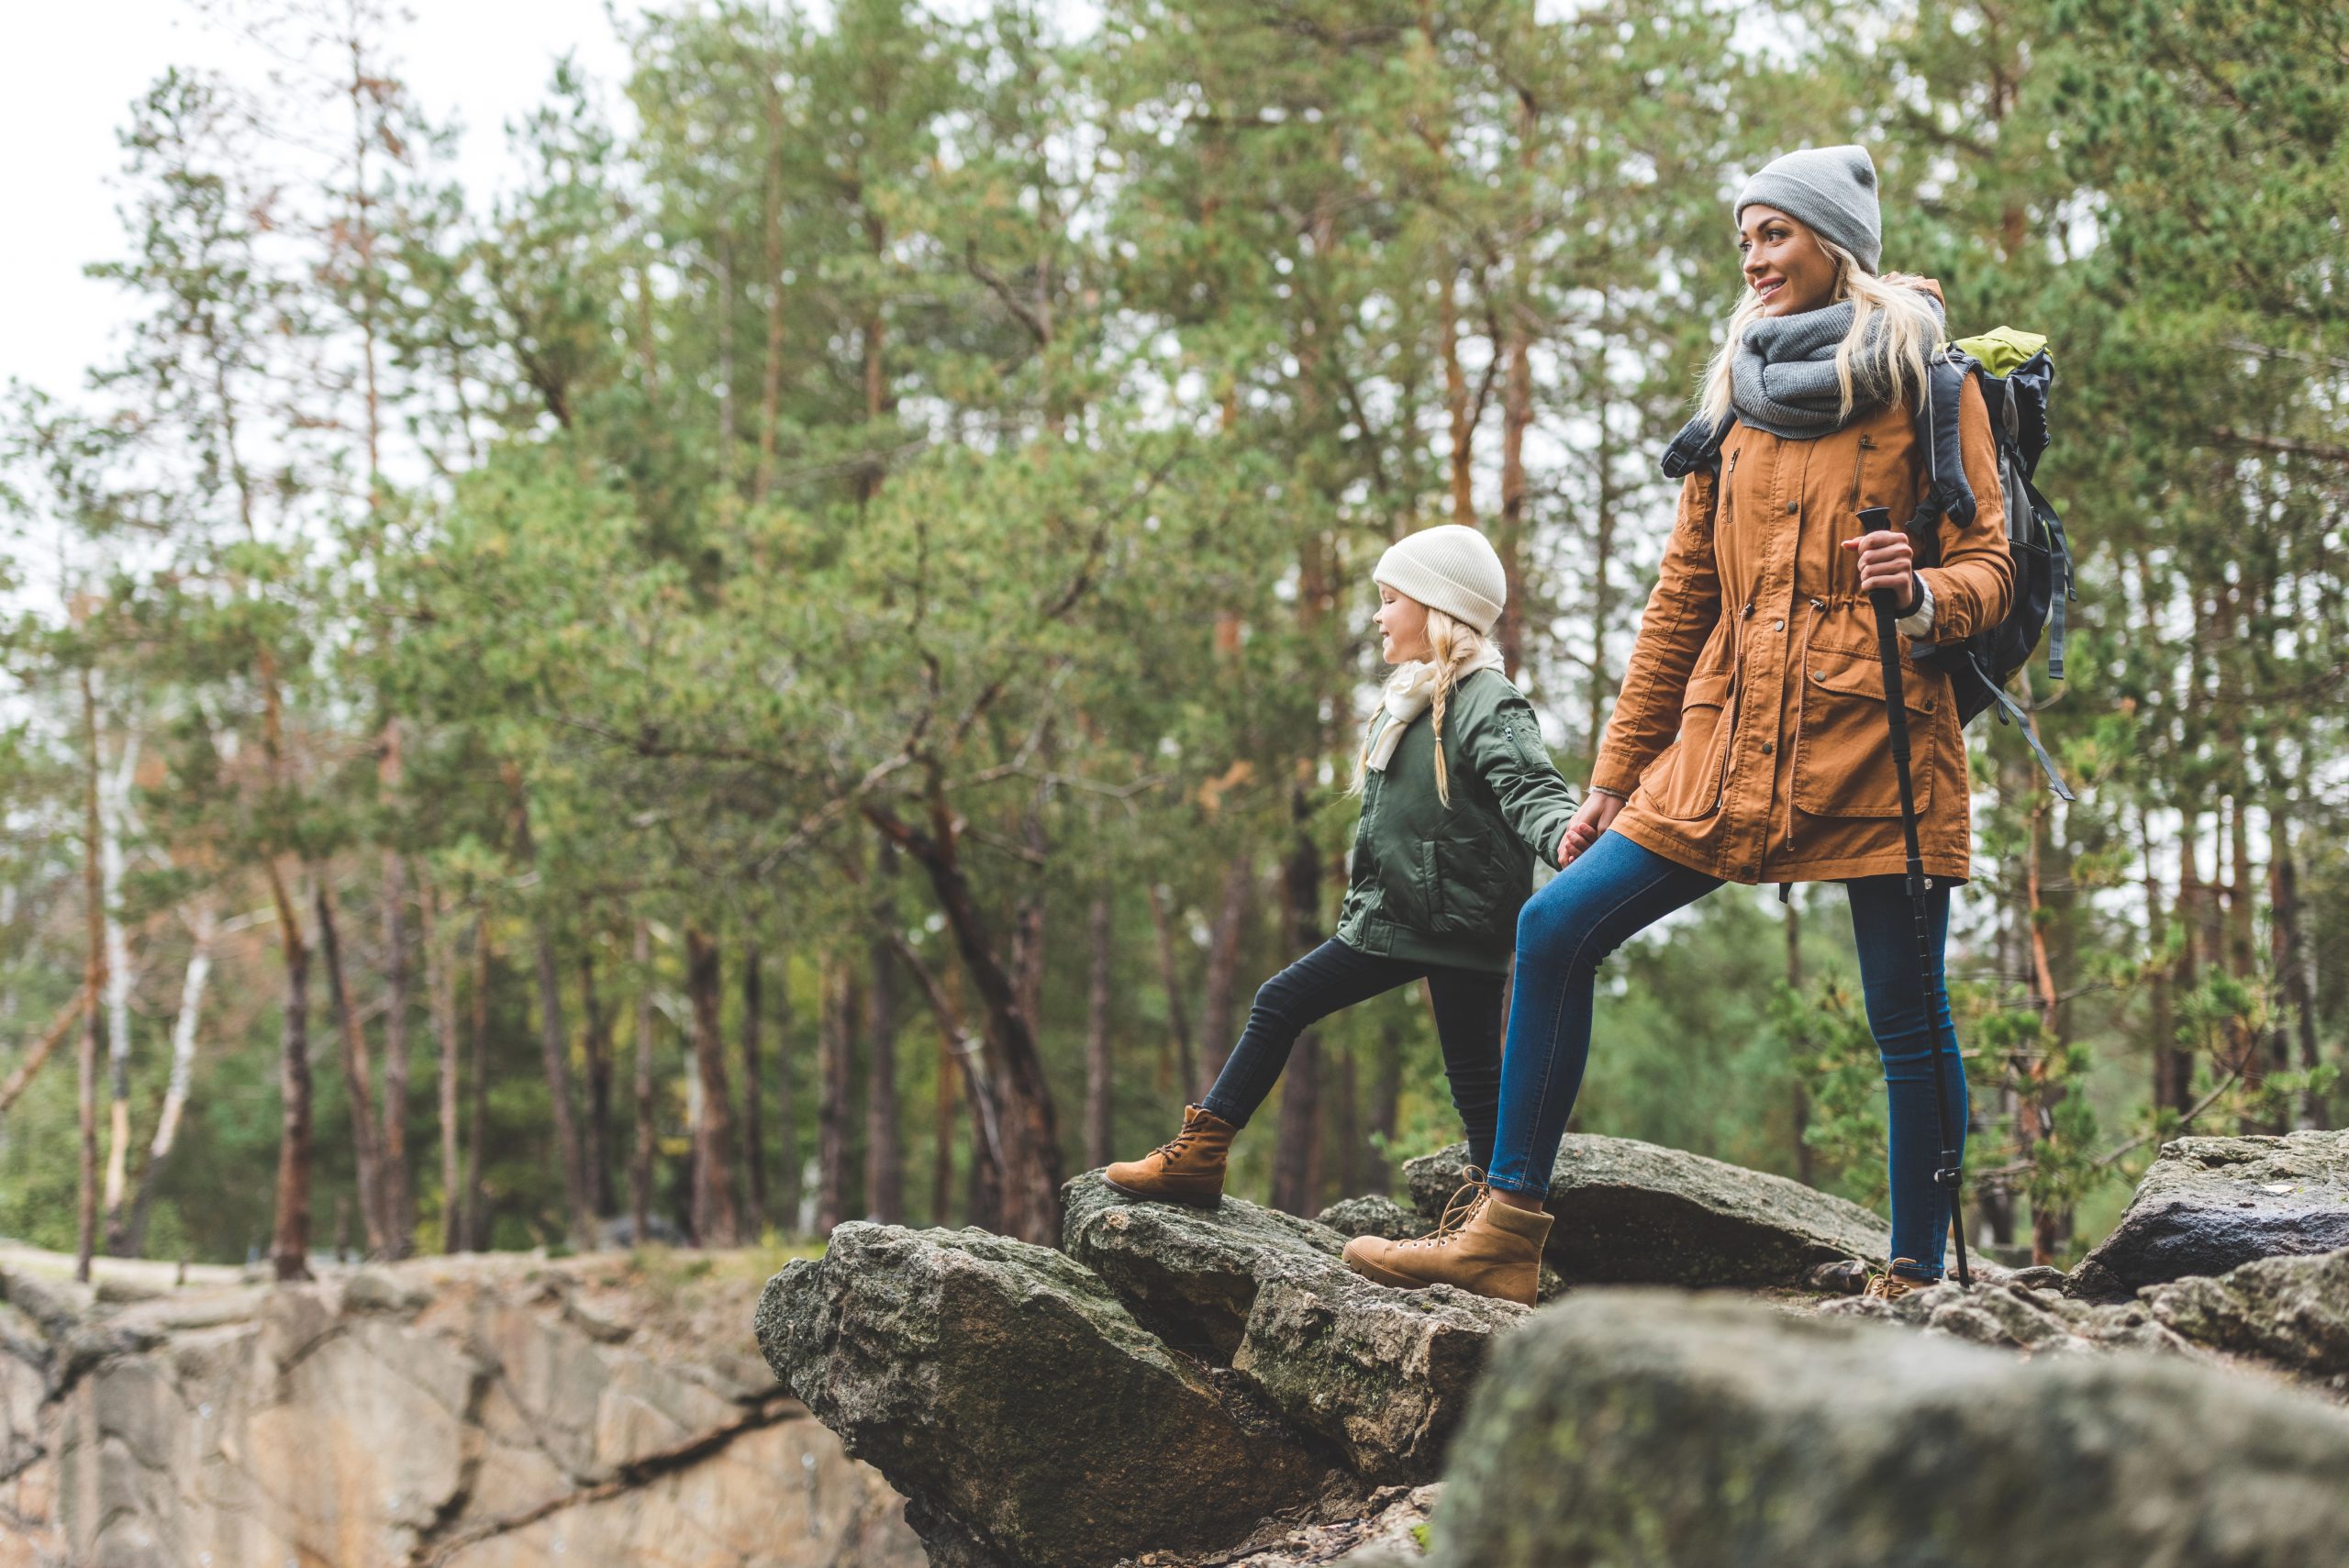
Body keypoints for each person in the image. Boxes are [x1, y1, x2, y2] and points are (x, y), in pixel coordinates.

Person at [1343, 144, 2012, 1307]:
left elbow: (1991, 568)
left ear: (1834, 244)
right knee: (1555, 922)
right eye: (1745, 235)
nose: (1753, 257)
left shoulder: (1930, 387)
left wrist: (1922, 589)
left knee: (1906, 1015)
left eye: (1776, 233)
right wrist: (1611, 776)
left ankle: (1915, 1274)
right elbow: (1678, 606)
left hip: (1878, 742)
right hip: (1720, 746)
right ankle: (1506, 1229)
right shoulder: (1735, 402)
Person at [1104, 525, 1577, 1224]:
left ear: (1436, 607)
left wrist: (1568, 837)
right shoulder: (1411, 699)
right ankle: (1203, 1157)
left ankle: (1497, 1228)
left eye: (1390, 599)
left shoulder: (1486, 700)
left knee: (1449, 1069)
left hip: (1449, 921)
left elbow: (1532, 788)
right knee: (1311, 1012)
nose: (1379, 615)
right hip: (1400, 916)